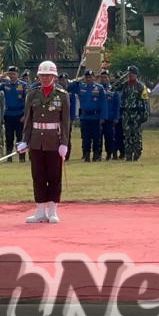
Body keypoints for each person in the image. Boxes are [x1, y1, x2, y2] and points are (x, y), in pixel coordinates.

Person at [17, 60, 70, 224]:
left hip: (54, 140)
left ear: (54, 76)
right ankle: (40, 211)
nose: (45, 78)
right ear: (38, 76)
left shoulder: (62, 95)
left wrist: (64, 143)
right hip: (36, 141)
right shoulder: (32, 94)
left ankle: (53, 210)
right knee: (38, 176)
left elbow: (66, 121)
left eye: (48, 75)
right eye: (42, 75)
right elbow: (28, 120)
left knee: (54, 176)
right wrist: (24, 140)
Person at [70, 69, 107, 162]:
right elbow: (69, 88)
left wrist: (103, 117)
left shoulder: (99, 88)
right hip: (85, 117)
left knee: (96, 137)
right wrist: (78, 80)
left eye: (90, 77)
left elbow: (103, 103)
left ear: (94, 78)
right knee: (85, 138)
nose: (88, 79)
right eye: (86, 77)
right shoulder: (81, 87)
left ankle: (96, 155)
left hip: (95, 117)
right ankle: (86, 155)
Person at [120, 66, 149, 161]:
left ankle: (137, 153)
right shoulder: (124, 85)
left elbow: (145, 101)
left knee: (136, 135)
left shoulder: (141, 86)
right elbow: (115, 90)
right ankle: (128, 154)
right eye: (129, 73)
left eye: (132, 73)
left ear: (136, 74)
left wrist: (145, 114)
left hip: (136, 113)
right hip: (126, 114)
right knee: (127, 135)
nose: (130, 75)